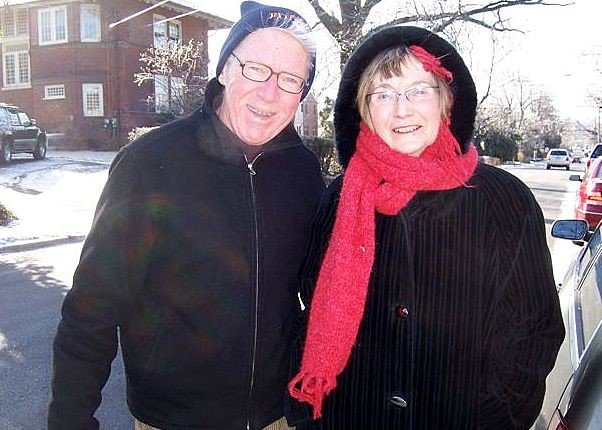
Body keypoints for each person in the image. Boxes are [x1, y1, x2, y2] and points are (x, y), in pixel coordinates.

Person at [48, 2, 325, 429]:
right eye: (255, 68)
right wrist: (70, 420)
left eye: (290, 80)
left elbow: (316, 295)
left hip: (277, 418)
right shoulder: (150, 164)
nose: (270, 92)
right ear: (225, 69)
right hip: (174, 420)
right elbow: (92, 307)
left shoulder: (304, 173)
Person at [287, 25, 565, 430]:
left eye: (419, 90)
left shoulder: (503, 201)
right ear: (363, 110)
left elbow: (532, 332)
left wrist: (495, 419)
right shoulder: (339, 199)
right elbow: (311, 308)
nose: (402, 110)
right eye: (382, 94)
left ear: (445, 101)